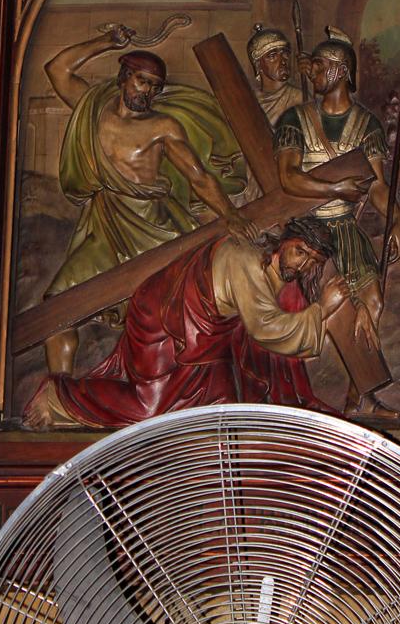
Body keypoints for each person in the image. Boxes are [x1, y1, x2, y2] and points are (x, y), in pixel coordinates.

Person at [41, 24, 253, 375]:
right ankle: (59, 392)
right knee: (57, 310)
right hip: (106, 228)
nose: (148, 92)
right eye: (142, 82)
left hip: (153, 230)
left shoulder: (162, 126)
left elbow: (198, 175)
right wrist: (105, 41)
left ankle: (193, 387)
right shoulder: (92, 107)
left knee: (183, 312)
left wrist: (229, 213)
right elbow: (57, 69)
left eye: (155, 86)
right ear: (123, 77)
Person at [23, 217, 348, 429]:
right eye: (300, 252)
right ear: (285, 241)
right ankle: (60, 395)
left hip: (206, 337)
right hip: (164, 321)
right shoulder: (247, 261)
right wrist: (321, 309)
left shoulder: (274, 270)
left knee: (222, 408)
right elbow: (266, 328)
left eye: (313, 261)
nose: (303, 264)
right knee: (150, 407)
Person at [274, 27, 400, 421]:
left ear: (341, 70)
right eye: (313, 66)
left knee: (373, 302)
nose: (311, 72)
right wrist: (335, 187)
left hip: (346, 230)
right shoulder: (296, 119)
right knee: (331, 309)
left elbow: (377, 185)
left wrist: (396, 218)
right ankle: (307, 397)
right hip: (309, 233)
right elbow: (289, 177)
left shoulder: (366, 125)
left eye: (319, 66)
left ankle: (359, 399)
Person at [238, 24, 304, 204]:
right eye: (272, 55)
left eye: (285, 53)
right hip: (250, 180)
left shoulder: (299, 98)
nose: (282, 60)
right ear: (258, 64)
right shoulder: (248, 102)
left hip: (283, 181)